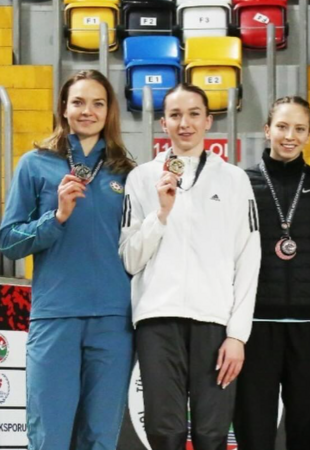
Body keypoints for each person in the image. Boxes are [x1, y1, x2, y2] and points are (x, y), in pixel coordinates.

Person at [0, 70, 135, 450]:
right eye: (78, 102)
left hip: (113, 320)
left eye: (98, 103)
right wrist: (55, 218)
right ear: (63, 107)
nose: (87, 111)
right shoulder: (35, 164)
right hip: (55, 315)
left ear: (110, 112)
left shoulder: (128, 172)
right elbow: (7, 242)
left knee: (100, 437)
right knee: (49, 436)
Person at [119, 83, 261, 450]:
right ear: (163, 123)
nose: (185, 123)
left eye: (194, 114)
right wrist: (160, 214)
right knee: (164, 434)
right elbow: (130, 260)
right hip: (157, 320)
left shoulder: (235, 180)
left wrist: (237, 335)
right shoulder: (140, 178)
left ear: (208, 121)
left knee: (212, 435)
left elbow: (248, 260)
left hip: (215, 324)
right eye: (176, 115)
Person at [234, 96, 310, 450]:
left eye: (299, 129)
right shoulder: (240, 183)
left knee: (309, 434)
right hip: (256, 327)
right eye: (282, 126)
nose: (289, 136)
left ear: (309, 135)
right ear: (266, 130)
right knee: (253, 431)